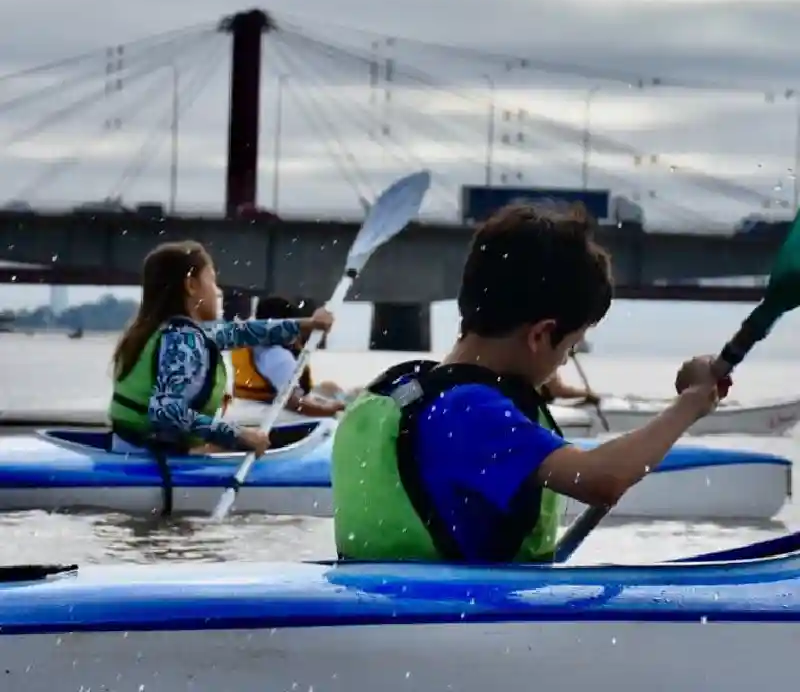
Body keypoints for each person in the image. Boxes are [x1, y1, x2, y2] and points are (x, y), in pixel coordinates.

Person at [331, 203, 729, 564]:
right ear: (541, 336)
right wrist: (691, 402)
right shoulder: (471, 413)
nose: (564, 360)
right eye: (570, 347)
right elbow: (601, 479)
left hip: (395, 607)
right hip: (460, 626)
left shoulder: (408, 390)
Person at [108, 240, 334, 457]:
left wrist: (308, 325)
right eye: (212, 281)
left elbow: (243, 332)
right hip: (153, 459)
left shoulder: (171, 330)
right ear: (192, 285)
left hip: (134, 448)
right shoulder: (183, 340)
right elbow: (166, 413)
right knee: (235, 447)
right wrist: (237, 435)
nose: (217, 291)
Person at [230, 295, 347, 418]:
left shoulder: (251, 343)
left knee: (329, 387)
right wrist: (329, 410)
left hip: (247, 407)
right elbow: (294, 403)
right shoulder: (278, 356)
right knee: (333, 420)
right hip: (270, 415)